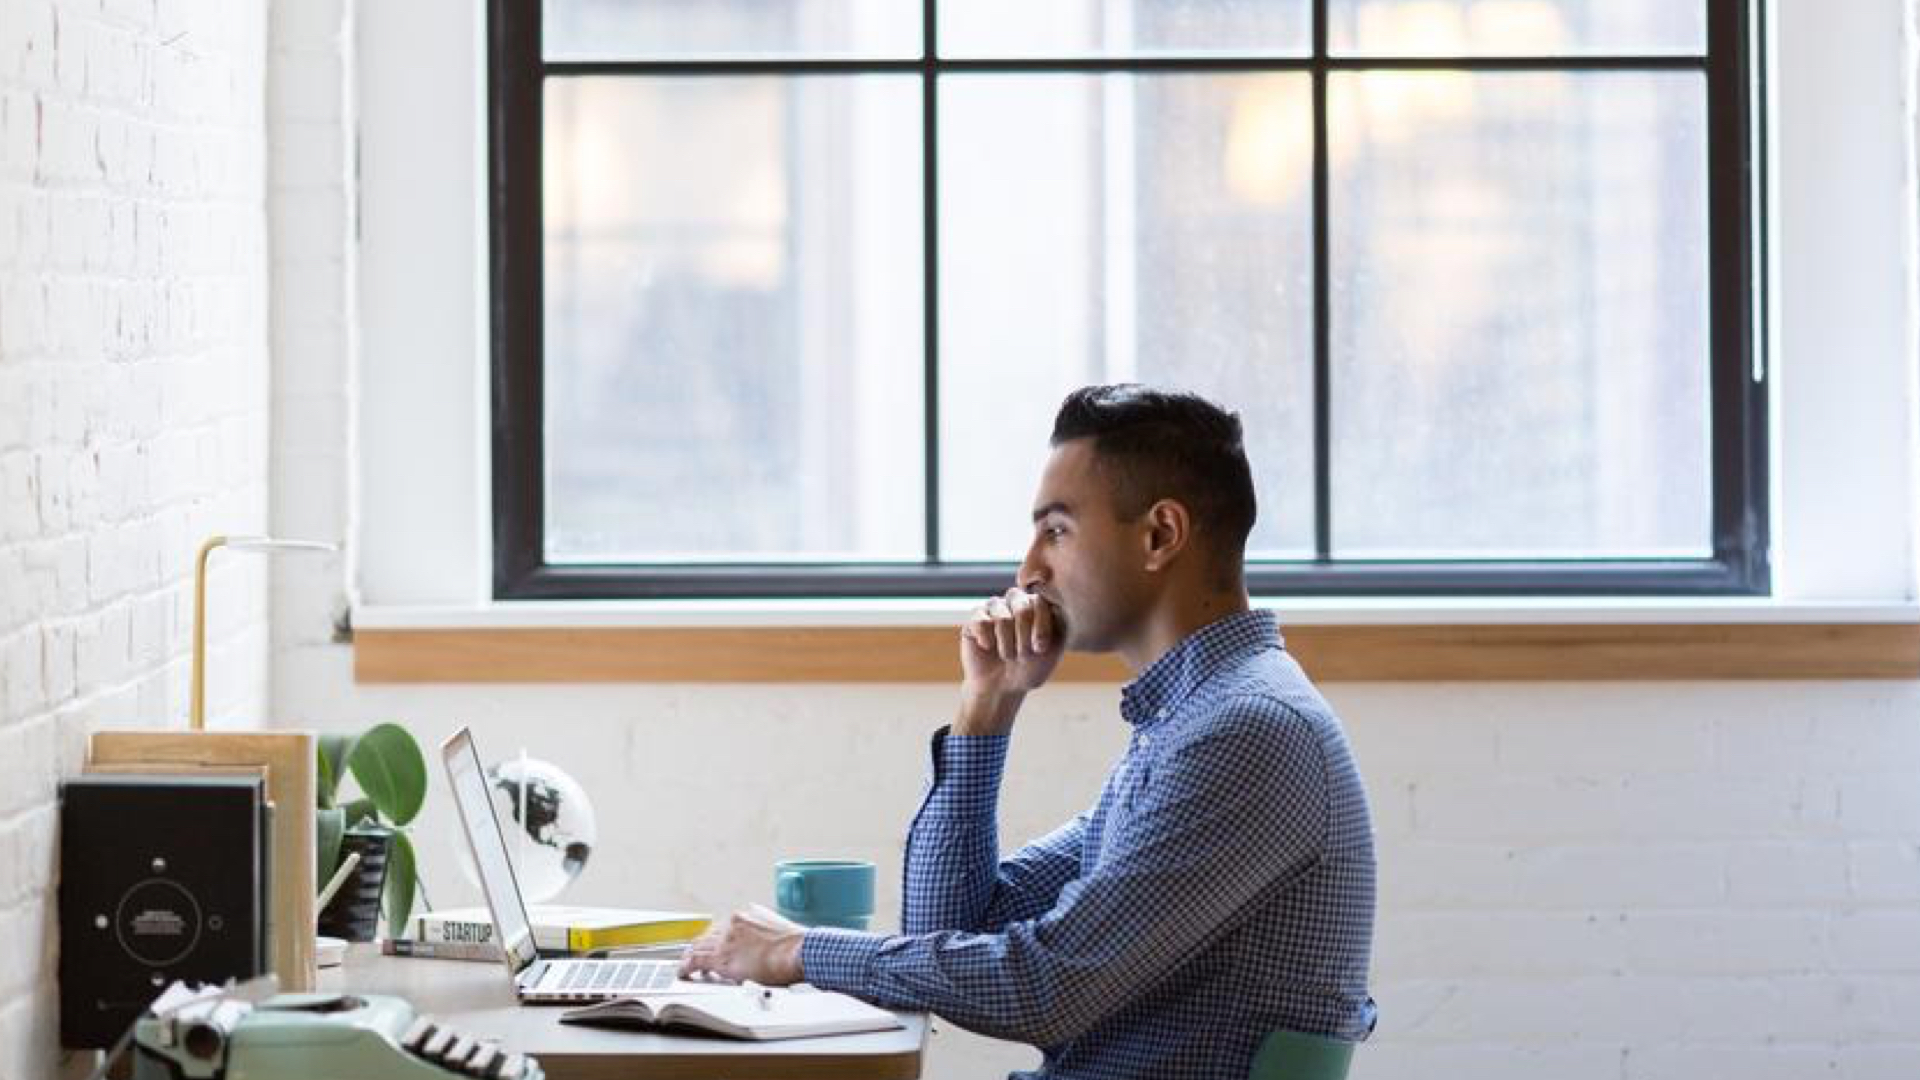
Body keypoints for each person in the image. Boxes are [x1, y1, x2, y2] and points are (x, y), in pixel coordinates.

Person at [680, 384, 1377, 1078]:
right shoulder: (1186, 725)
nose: (1028, 570)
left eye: (1058, 530)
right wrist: (988, 704)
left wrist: (797, 952)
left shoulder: (1245, 734)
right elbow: (948, 930)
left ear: (1160, 535)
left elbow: (1046, 989)